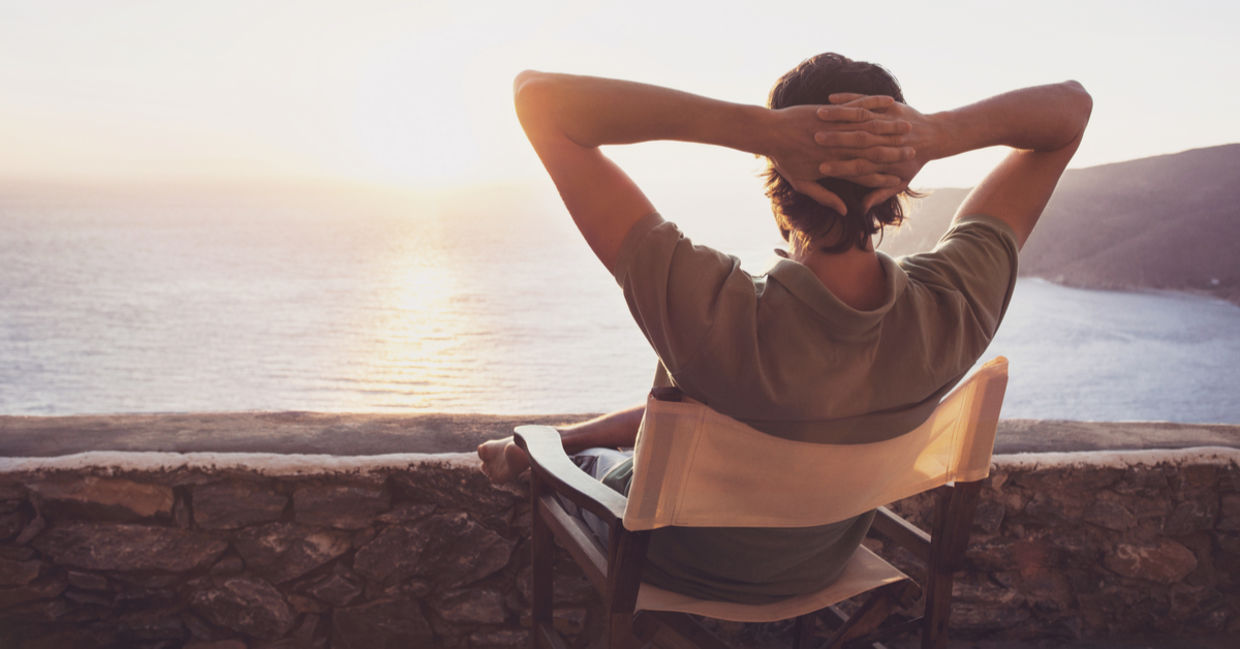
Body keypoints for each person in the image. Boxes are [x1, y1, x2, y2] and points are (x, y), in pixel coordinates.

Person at [478, 53, 1091, 603]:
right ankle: (566, 437)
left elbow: (539, 98)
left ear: (780, 179)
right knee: (678, 414)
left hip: (673, 563)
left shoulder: (714, 313)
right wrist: (939, 132)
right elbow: (1071, 110)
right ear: (898, 186)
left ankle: (540, 450)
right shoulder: (952, 309)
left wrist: (759, 130)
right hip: (818, 563)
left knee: (577, 464)